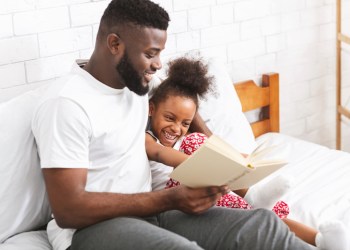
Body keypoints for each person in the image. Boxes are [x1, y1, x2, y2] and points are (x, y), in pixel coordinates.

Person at [31, 0, 324, 249]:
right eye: (151, 53)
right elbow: (69, 209)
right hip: (90, 230)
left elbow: (182, 101)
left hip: (151, 212)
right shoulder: (67, 104)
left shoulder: (135, 85)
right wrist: (169, 198)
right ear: (115, 44)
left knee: (262, 226)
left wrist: (226, 159)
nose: (158, 64)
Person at [145, 56, 350, 250]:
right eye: (170, 118)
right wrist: (203, 163)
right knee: (197, 143)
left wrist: (230, 161)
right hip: (173, 199)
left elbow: (209, 141)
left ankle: (319, 239)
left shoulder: (182, 136)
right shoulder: (148, 138)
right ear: (151, 109)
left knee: (266, 213)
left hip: (202, 187)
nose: (176, 128)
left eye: (185, 123)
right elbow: (161, 154)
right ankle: (252, 197)